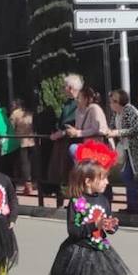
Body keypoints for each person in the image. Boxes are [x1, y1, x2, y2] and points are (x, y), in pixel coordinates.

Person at [50, 141, 136, 275]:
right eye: (103, 178)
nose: (107, 182)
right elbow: (73, 230)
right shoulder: (76, 202)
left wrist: (111, 225)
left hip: (99, 249)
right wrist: (94, 225)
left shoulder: (103, 199)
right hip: (78, 250)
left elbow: (105, 226)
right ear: (88, 181)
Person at [47, 74, 83, 206]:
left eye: (65, 86)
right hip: (63, 142)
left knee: (75, 173)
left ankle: (77, 202)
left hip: (74, 141)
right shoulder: (68, 103)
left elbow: (74, 123)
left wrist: (61, 133)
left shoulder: (79, 102)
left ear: (71, 88)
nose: (63, 89)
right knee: (63, 174)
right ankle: (64, 200)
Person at [9, 99, 35, 195]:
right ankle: (30, 183)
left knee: (24, 164)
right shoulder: (29, 112)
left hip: (21, 141)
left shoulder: (15, 114)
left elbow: (10, 127)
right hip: (32, 140)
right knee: (30, 163)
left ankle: (28, 185)